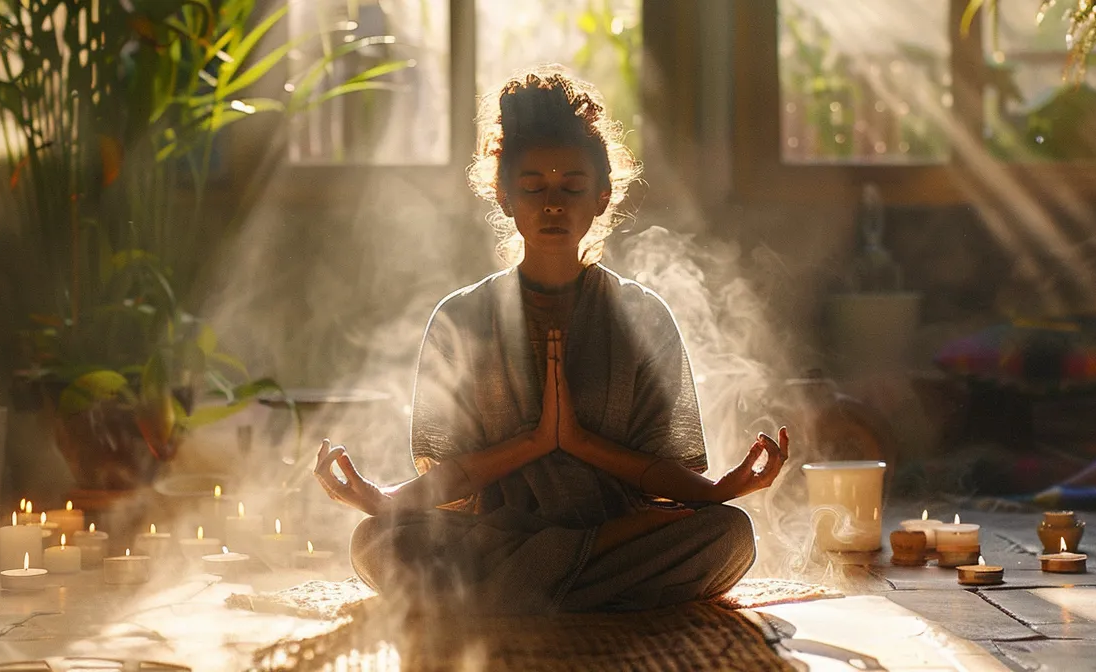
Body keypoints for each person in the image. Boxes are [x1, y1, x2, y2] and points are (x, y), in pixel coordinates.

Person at [313, 66, 789, 615]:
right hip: (501, 529)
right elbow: (456, 477)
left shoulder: (641, 315)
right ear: (505, 196)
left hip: (617, 526)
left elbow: (663, 476)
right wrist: (391, 497)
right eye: (534, 187)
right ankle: (585, 579)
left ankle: (510, 590)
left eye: (572, 187)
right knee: (377, 543)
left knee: (728, 535)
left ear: (603, 196)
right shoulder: (460, 318)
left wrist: (711, 490)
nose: (553, 204)